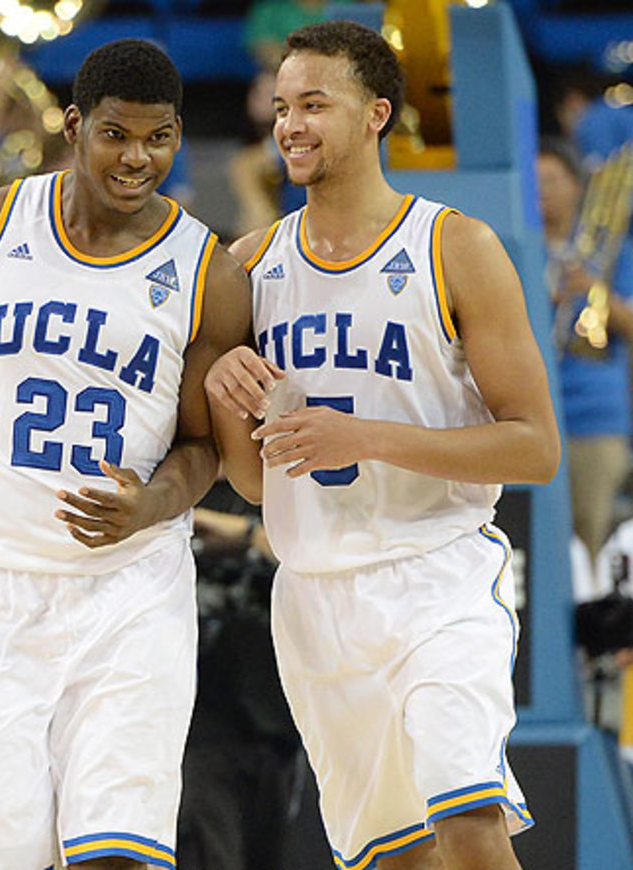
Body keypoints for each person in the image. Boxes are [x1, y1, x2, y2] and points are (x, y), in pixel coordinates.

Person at [0, 38, 250, 870]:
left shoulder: (208, 271)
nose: (138, 158)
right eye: (116, 135)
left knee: (118, 856)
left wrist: (152, 503)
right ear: (73, 126)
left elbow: (203, 448)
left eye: (160, 138)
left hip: (130, 591)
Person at [204, 20, 560, 870]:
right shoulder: (248, 265)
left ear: (377, 115)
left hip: (438, 575)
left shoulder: (455, 247)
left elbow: (535, 449)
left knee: (470, 827)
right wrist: (223, 394)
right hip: (313, 593)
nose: (290, 124)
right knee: (391, 857)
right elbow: (253, 487)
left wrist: (365, 435)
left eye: (315, 104)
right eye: (283, 106)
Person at [537, 137, 633, 561]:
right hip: (532, 415)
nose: (543, 190)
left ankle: (600, 627)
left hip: (593, 419)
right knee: (541, 548)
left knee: (593, 543)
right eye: (535, 180)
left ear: (577, 185)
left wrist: (593, 293)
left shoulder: (612, 249)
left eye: (553, 179)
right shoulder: (511, 247)